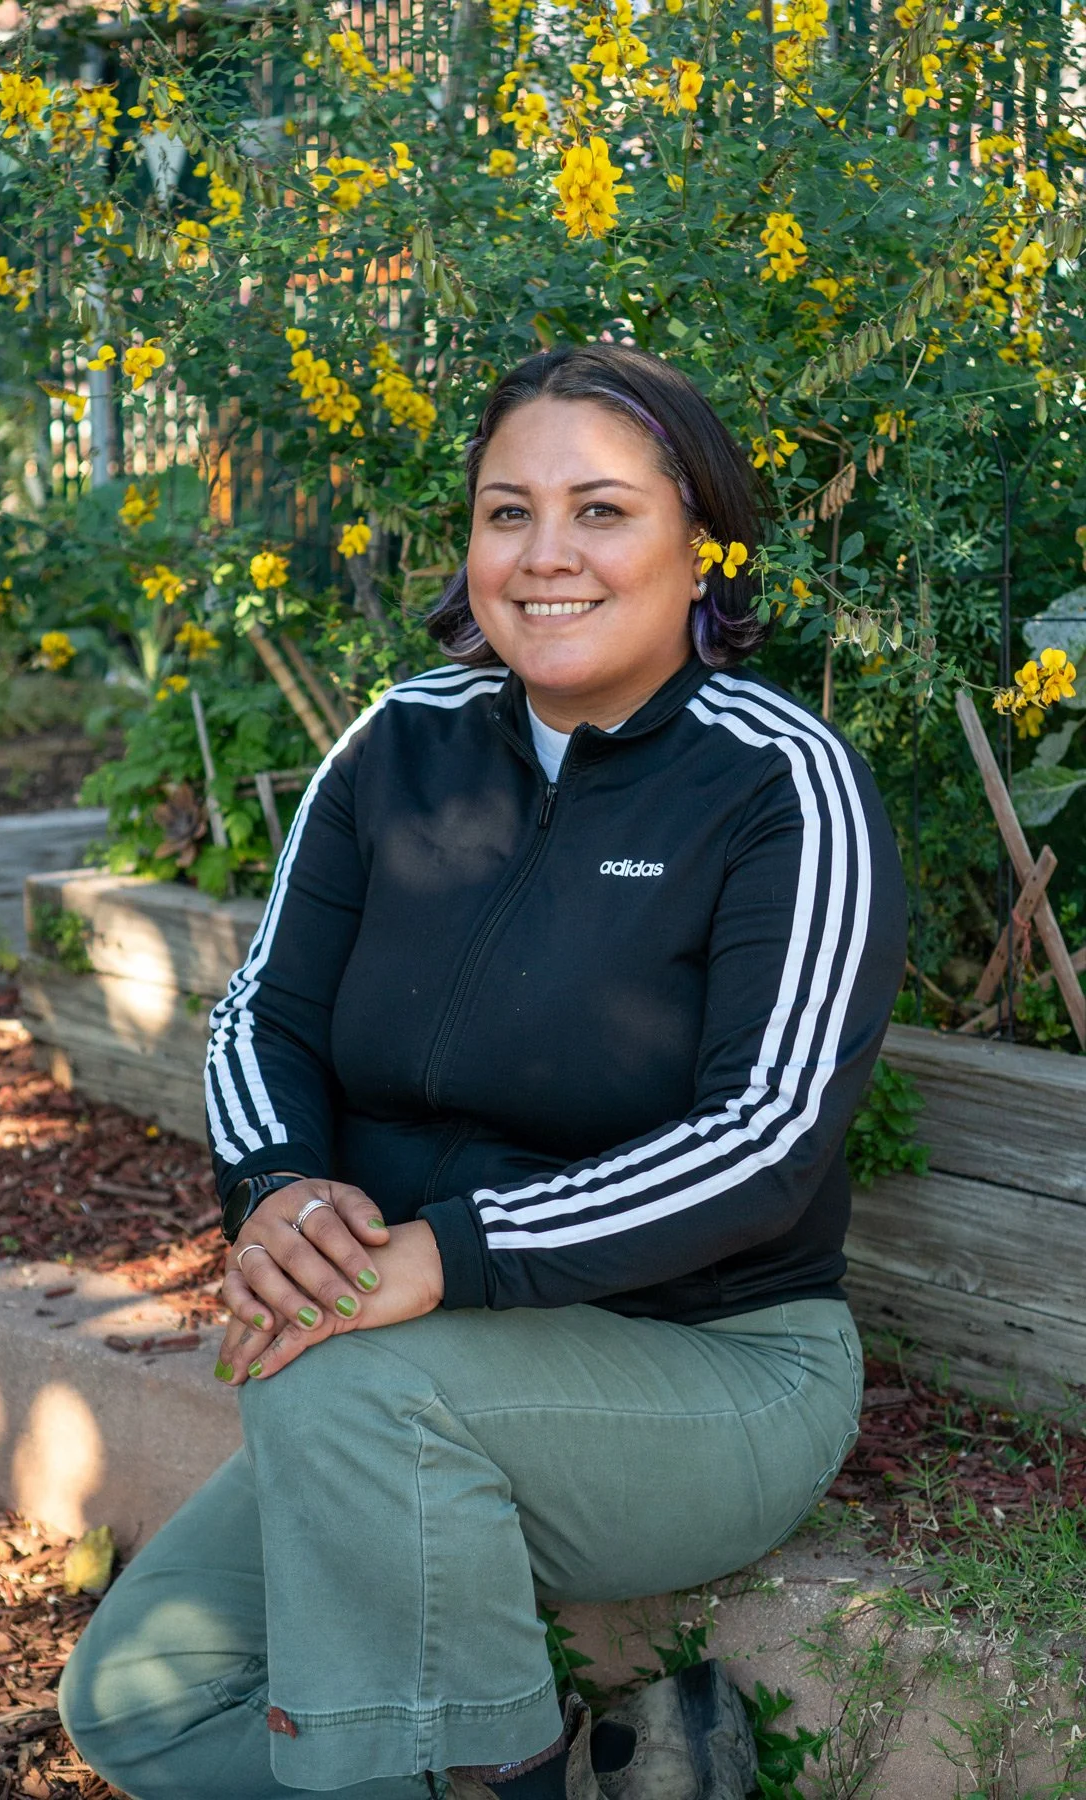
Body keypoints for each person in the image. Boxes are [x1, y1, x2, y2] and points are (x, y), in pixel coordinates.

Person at [58, 344, 908, 1800]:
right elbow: (265, 1016)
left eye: (602, 511)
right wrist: (276, 1198)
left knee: (337, 1375)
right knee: (145, 1704)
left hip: (708, 1373)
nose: (546, 556)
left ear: (701, 543)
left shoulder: (779, 781)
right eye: (507, 512)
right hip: (401, 1377)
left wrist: (444, 1257)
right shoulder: (400, 746)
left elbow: (764, 1137)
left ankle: (486, 1773)